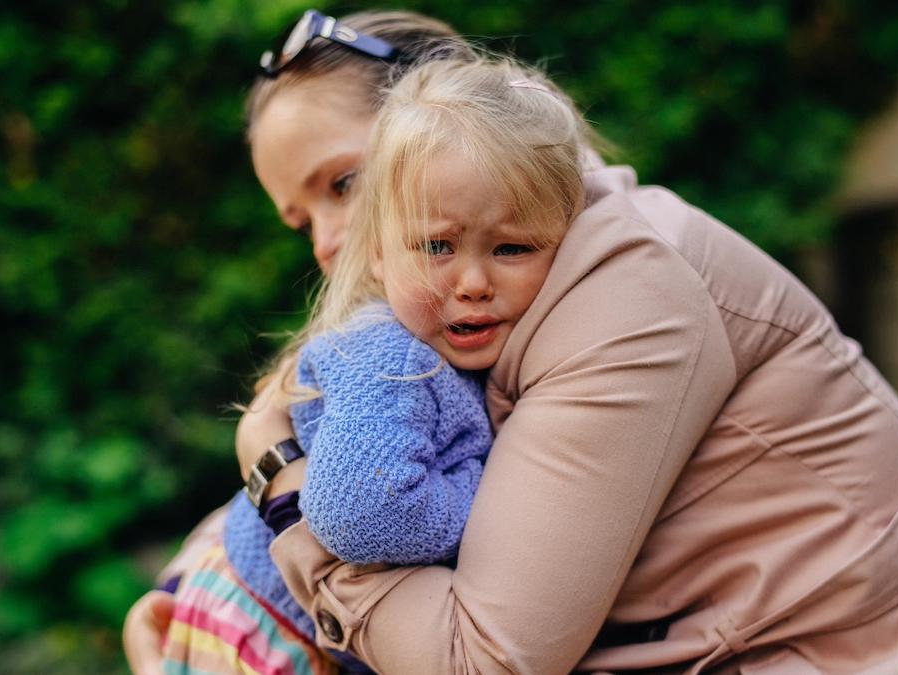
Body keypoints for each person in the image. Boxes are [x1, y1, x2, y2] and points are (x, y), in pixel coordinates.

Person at [129, 9, 898, 674]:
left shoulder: (626, 293)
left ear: (449, 119)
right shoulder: (482, 306)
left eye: (342, 183)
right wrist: (191, 598)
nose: (328, 241)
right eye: (300, 218)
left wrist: (278, 481)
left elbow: (485, 658)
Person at [160, 55, 587, 675]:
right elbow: (360, 507)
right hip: (269, 633)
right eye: (437, 244)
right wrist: (498, 499)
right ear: (383, 251)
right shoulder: (391, 351)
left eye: (341, 184)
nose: (326, 240)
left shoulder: (446, 332)